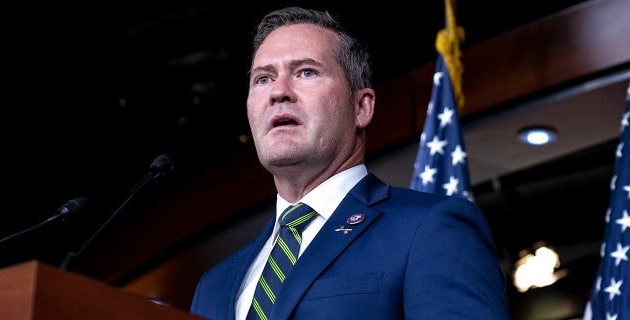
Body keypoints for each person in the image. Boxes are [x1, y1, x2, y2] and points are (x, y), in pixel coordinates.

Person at [190, 6, 510, 320]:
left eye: (306, 72)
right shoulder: (213, 285)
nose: (278, 92)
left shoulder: (430, 227)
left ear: (361, 107)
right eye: (263, 78)